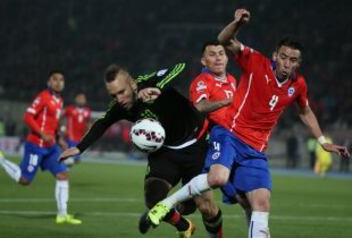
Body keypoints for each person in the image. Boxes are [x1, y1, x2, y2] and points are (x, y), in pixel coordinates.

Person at [146, 8, 351, 238]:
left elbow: (305, 110)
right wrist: (237, 23)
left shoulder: (298, 85)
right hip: (229, 134)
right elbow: (224, 40)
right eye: (283, 57)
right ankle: (166, 203)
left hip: (255, 150)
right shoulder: (255, 62)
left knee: (259, 202)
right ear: (275, 56)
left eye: (292, 60)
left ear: (298, 63)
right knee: (218, 177)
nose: (286, 63)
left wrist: (323, 141)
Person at [58, 63, 223, 238]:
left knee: (205, 208)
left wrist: (157, 87)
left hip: (195, 145)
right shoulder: (120, 106)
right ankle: (184, 226)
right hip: (165, 153)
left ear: (131, 83)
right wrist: (79, 148)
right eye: (113, 95)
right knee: (153, 198)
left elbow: (180, 67)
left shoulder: (147, 81)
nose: (119, 98)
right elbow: (103, 122)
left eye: (122, 92)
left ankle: (192, 212)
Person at [0, 71, 81, 225]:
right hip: (36, 146)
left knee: (63, 176)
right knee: (24, 180)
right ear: (49, 82)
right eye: (55, 79)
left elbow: (53, 124)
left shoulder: (59, 101)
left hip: (51, 147)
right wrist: (41, 133)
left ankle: (62, 215)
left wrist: (59, 138)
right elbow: (27, 116)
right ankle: (0, 159)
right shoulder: (43, 97)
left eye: (61, 79)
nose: (58, 82)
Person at [190, 40, 252, 223]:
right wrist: (226, 101)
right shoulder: (202, 81)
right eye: (212, 54)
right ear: (203, 61)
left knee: (247, 199)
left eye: (221, 53)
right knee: (204, 207)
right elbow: (200, 106)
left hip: (233, 143)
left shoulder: (232, 80)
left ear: (227, 57)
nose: (218, 58)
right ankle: (177, 205)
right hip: (210, 145)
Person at [63, 93, 91, 165]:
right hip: (70, 137)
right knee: (71, 160)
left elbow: (88, 122)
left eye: (83, 98)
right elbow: (62, 118)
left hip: (80, 138)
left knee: (77, 160)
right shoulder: (70, 109)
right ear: (76, 99)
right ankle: (62, 170)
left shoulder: (87, 111)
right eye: (79, 98)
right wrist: (62, 128)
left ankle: (64, 167)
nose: (81, 100)